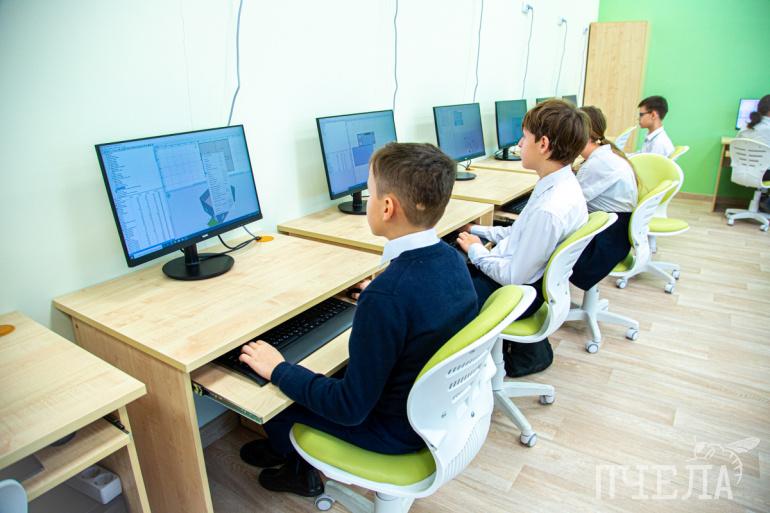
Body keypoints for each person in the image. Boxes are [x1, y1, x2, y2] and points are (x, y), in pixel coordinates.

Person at [237, 142, 478, 497]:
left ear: (387, 207)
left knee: (277, 403)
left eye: (369, 191)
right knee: (320, 373)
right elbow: (415, 307)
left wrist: (278, 369)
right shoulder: (452, 260)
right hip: (432, 415)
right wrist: (379, 297)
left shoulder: (388, 296)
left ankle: (298, 471)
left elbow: (349, 408)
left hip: (393, 433)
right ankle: (284, 449)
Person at [455, 99, 588, 377]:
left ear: (543, 144)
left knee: (443, 299)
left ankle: (463, 377)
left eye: (524, 137)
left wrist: (477, 252)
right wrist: (478, 230)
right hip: (533, 281)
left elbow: (513, 276)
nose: (518, 143)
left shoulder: (549, 209)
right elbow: (520, 233)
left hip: (518, 292)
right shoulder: (559, 183)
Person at [570, 106, 638, 290]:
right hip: (616, 234)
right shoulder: (605, 155)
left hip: (604, 245)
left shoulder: (596, 164)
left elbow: (570, 204)